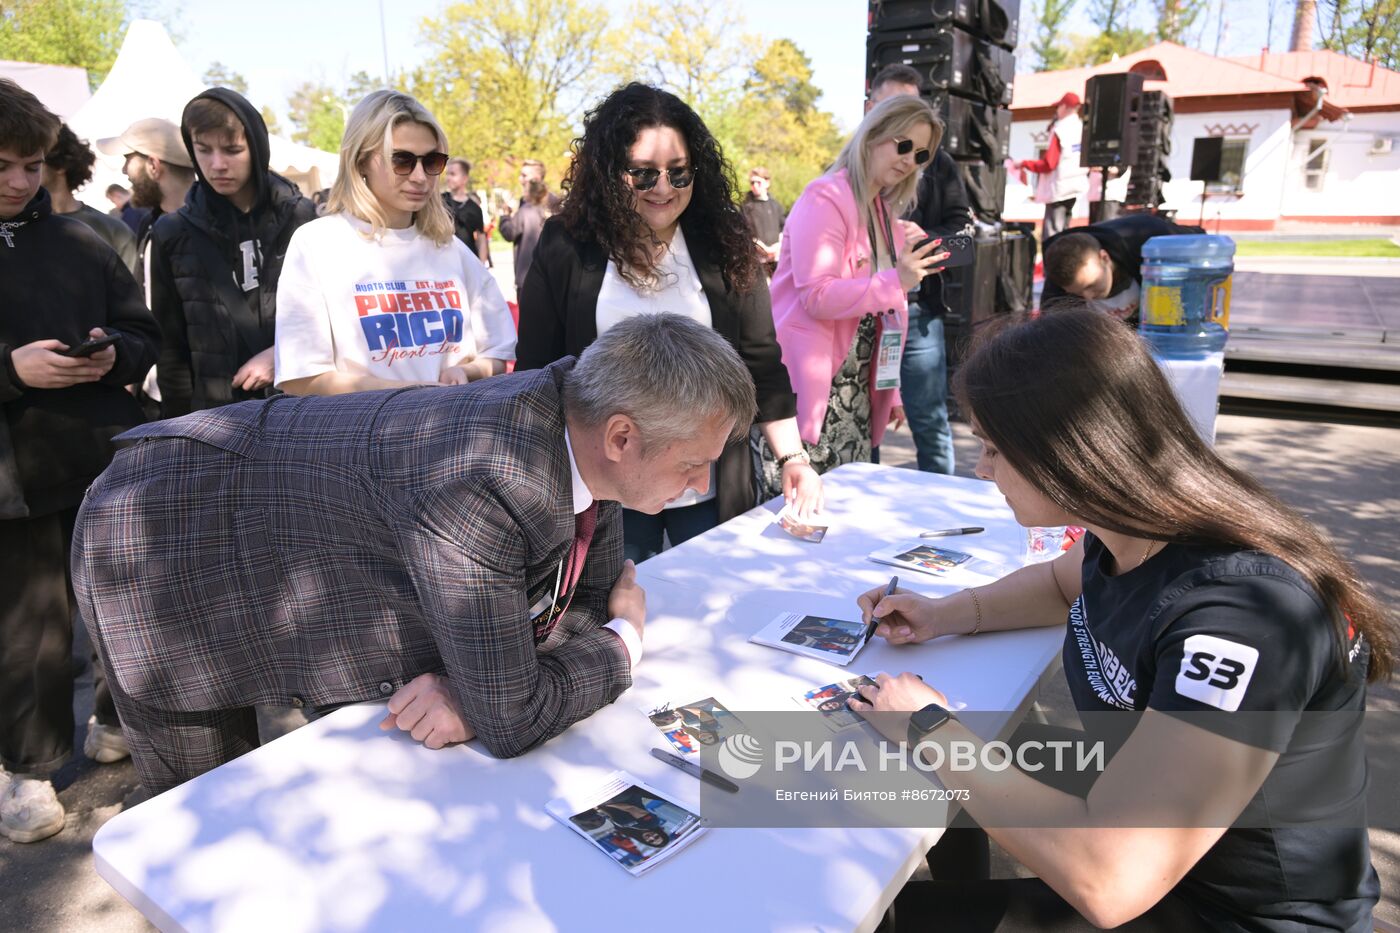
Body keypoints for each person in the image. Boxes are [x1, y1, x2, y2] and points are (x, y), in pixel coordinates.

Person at [851, 308, 1391, 930]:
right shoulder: (1134, 529)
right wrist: (942, 614)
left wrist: (929, 728)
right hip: (1150, 834)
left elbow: (1110, 879)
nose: (981, 468)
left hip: (1235, 915)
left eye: (994, 448)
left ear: (1070, 452)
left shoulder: (1238, 615)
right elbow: (1059, 584)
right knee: (966, 763)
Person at [74, 313, 757, 794]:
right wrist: (624, 643)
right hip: (158, 538)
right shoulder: (483, 477)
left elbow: (574, 610)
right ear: (621, 437)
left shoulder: (586, 420)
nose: (700, 485)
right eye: (693, 464)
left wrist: (490, 682)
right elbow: (519, 712)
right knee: (208, 824)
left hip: (262, 524)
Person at [515, 83, 820, 563]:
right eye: (643, 174)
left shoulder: (726, 244)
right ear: (608, 171)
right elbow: (536, 371)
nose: (663, 188)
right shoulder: (566, 244)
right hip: (606, 494)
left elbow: (761, 361)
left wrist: (793, 459)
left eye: (679, 174)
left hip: (710, 484)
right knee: (617, 614)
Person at [0, 79, 160, 842]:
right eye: (3, 165)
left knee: (120, 603)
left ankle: (114, 716)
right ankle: (27, 772)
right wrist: (12, 369)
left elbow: (141, 329)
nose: (20, 181)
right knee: (32, 630)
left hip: (98, 457)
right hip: (13, 480)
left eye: (31, 165)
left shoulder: (78, 239)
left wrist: (112, 356)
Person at [274, 91, 516, 396]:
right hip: (363, 439)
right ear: (361, 161)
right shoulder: (317, 244)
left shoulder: (450, 248)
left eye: (432, 161)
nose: (419, 176)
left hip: (451, 435)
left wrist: (466, 372)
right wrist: (407, 393)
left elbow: (498, 352)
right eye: (401, 160)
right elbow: (302, 378)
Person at [766, 93, 945, 487]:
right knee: (797, 521)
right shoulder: (825, 196)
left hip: (855, 396)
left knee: (840, 519)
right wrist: (897, 280)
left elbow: (885, 316)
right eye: (903, 145)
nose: (907, 160)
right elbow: (817, 296)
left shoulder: (883, 213)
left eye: (920, 155)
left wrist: (889, 389)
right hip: (811, 395)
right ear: (872, 134)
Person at [149, 88, 318, 418]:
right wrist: (180, 429)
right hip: (217, 418)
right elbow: (170, 348)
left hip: (303, 408)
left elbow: (335, 322)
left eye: (232, 150)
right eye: (203, 150)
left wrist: (281, 354)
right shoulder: (171, 232)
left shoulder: (303, 218)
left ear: (256, 147)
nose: (217, 164)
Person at [867, 63, 973, 476]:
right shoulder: (845, 171)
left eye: (910, 109)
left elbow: (963, 240)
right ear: (870, 108)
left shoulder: (937, 163)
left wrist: (919, 241)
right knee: (864, 425)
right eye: (890, 108)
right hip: (861, 318)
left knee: (928, 420)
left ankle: (941, 510)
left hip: (918, 315)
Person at [1040, 213, 1205, 323]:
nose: (1088, 296)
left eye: (1091, 285)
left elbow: (1199, 242)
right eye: (1077, 293)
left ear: (1104, 258)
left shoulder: (1149, 240)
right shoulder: (1057, 288)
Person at [41, 124, 138, 274]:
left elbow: (133, 292)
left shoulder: (114, 231)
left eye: (35, 163)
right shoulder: (15, 232)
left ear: (60, 165)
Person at [1007, 91, 1089, 243]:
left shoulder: (1061, 129)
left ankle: (1052, 265)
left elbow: (1049, 164)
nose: (1056, 111)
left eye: (1058, 107)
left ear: (1064, 107)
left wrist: (1024, 163)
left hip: (1058, 189)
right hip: (1074, 186)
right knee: (1065, 232)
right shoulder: (1081, 128)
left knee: (1052, 236)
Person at [499, 175, 554, 290]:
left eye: (525, 190)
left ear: (531, 193)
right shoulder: (549, 210)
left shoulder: (526, 211)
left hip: (527, 273)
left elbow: (509, 233)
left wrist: (505, 216)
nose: (523, 193)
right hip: (549, 272)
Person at [441, 156, 489, 263]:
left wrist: (481, 267)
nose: (448, 178)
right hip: (444, 261)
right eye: (447, 174)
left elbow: (481, 239)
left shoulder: (474, 208)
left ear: (465, 178)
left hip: (468, 261)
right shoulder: (440, 201)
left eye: (453, 174)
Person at [740, 166, 784, 277]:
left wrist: (776, 248)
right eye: (752, 183)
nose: (755, 186)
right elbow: (744, 233)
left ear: (767, 183)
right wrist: (765, 250)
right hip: (757, 261)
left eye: (758, 182)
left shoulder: (776, 205)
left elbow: (784, 229)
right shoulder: (746, 206)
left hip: (777, 259)